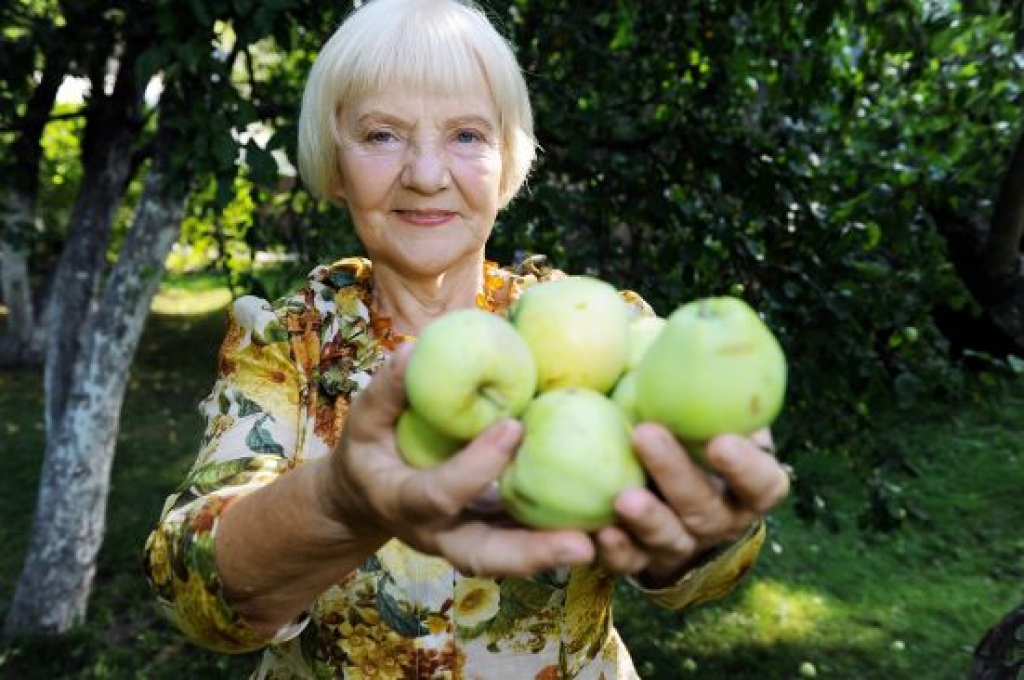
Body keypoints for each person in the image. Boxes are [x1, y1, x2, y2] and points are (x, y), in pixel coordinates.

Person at [142, 0, 791, 677]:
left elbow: (699, 570)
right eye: (382, 135)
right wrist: (342, 500)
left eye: (467, 136)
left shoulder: (597, 328)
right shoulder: (288, 344)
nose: (426, 174)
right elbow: (189, 590)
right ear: (334, 162)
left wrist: (695, 530)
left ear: (508, 160)